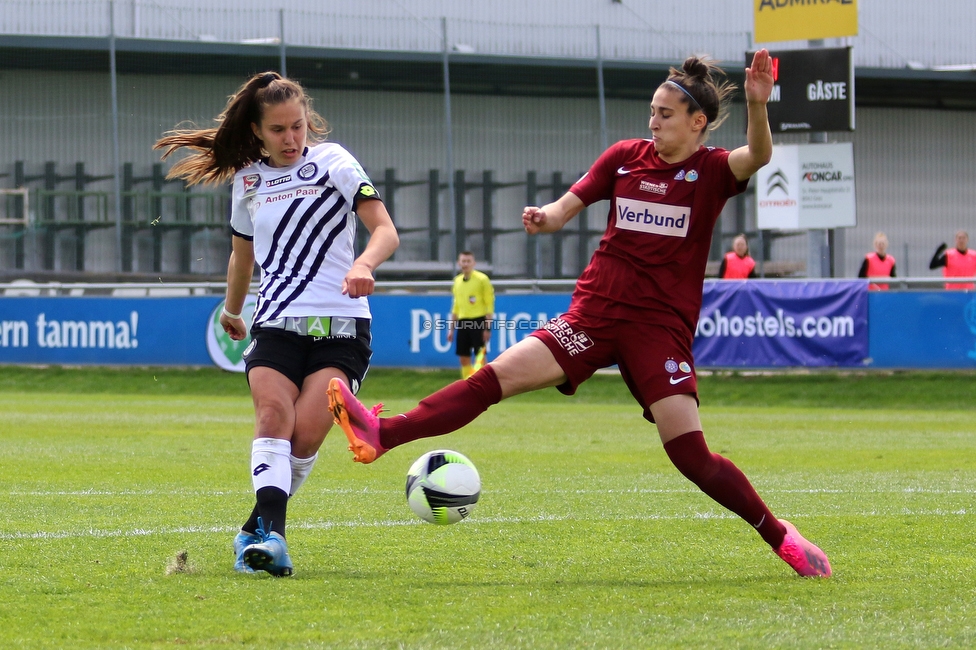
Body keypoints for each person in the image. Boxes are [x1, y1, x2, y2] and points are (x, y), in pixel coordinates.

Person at [327, 50, 831, 578]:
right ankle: (382, 434)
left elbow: (758, 156)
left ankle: (782, 538)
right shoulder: (623, 157)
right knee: (491, 380)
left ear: (696, 122)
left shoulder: (710, 171)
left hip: (658, 331)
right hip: (593, 315)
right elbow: (564, 209)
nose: (653, 121)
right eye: (652, 111)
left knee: (691, 456)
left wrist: (757, 104)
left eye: (665, 113)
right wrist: (543, 217)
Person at [153, 71, 398, 576]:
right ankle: (276, 541)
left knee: (303, 440)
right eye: (279, 130)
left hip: (342, 328)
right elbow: (242, 258)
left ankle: (253, 531)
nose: (291, 139)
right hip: (276, 323)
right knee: (272, 418)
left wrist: (363, 264)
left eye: (298, 126)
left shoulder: (335, 162)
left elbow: (385, 230)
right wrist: (233, 309)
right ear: (258, 131)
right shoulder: (248, 180)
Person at [447, 251, 495, 379]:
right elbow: (455, 306)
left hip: (478, 320)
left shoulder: (482, 279)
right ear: (459, 263)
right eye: (463, 261)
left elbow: (489, 304)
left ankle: (484, 384)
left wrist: (487, 327)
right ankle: (467, 384)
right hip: (463, 322)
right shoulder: (457, 281)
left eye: (468, 261)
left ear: (473, 263)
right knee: (463, 357)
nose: (466, 264)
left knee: (480, 356)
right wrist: (451, 329)